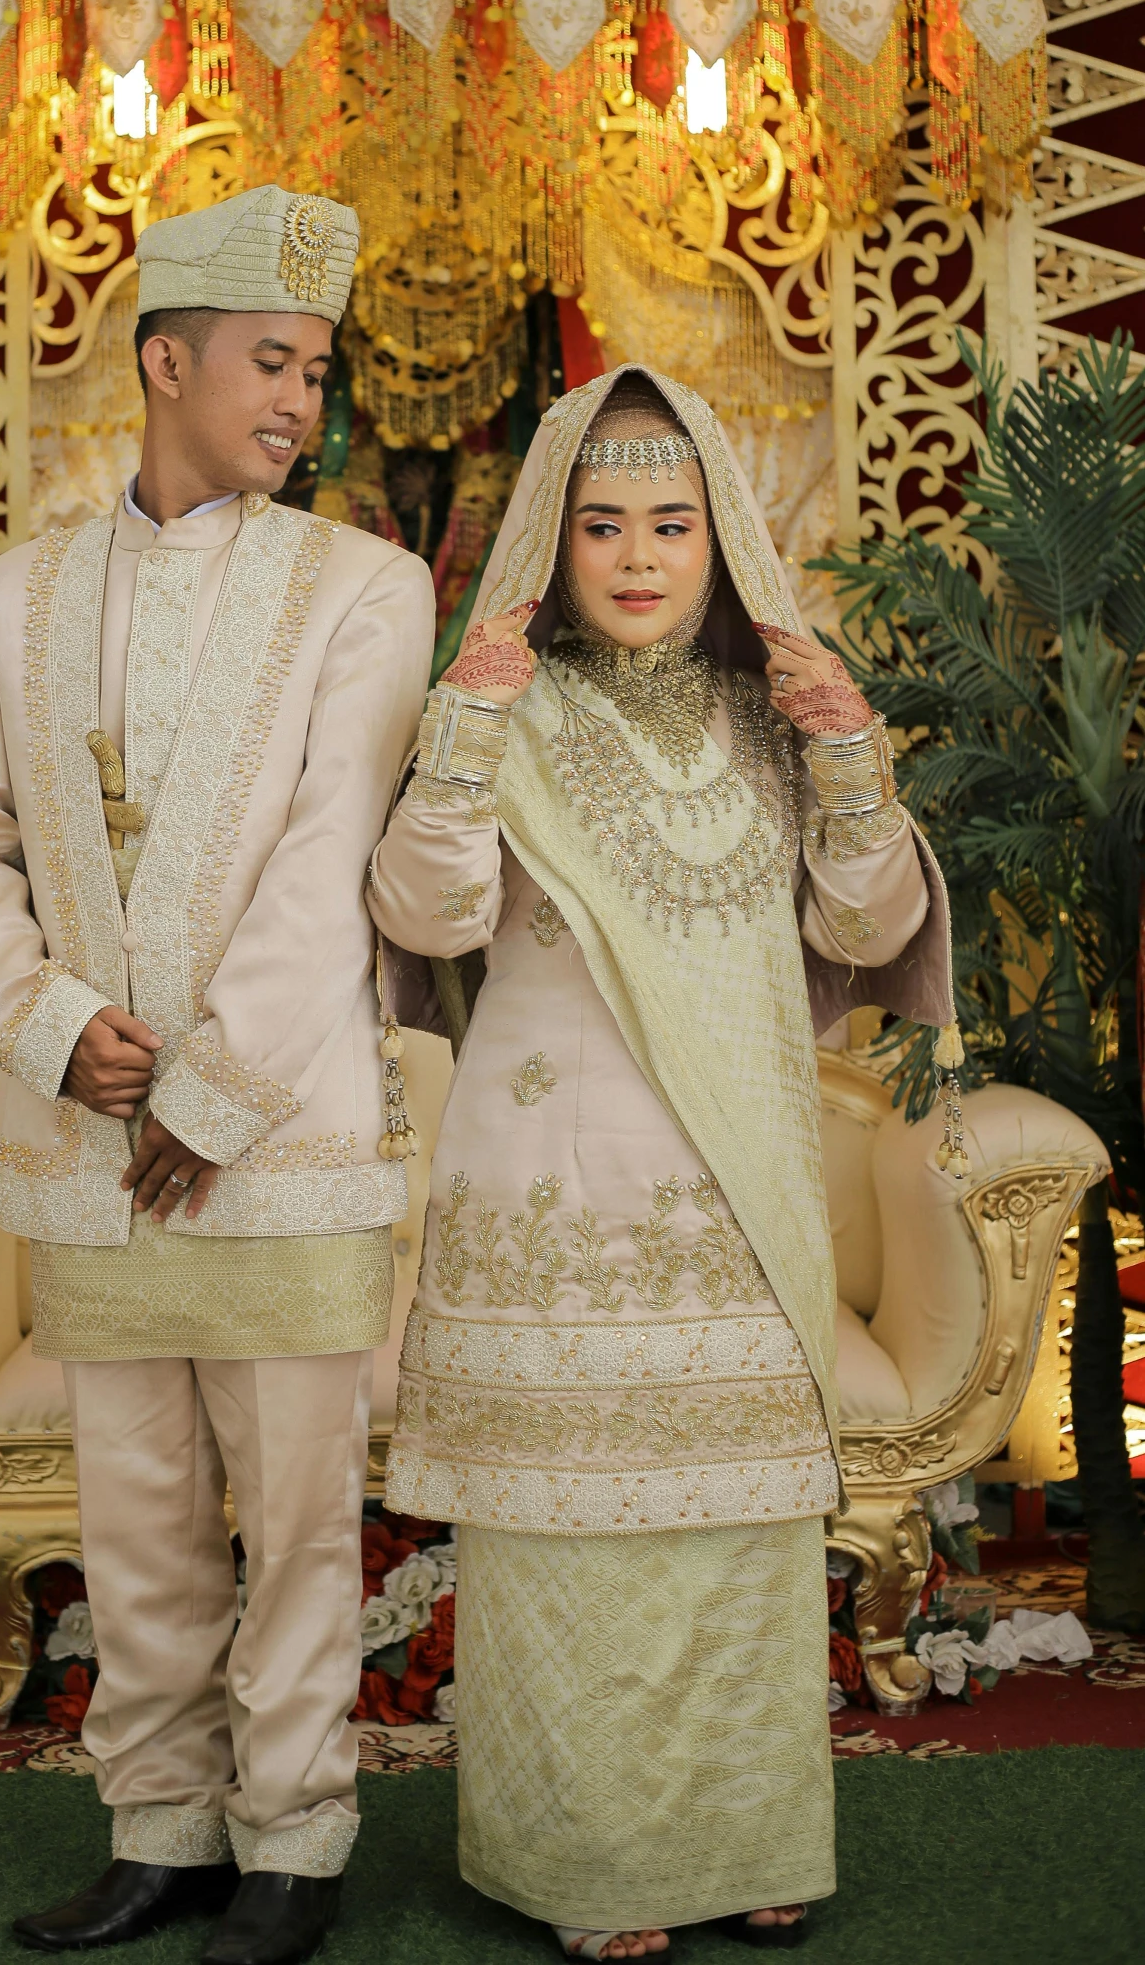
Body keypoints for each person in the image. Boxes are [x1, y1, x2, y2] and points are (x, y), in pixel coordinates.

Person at [0, 185, 436, 1965]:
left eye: (316, 370)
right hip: (79, 1124)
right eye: (269, 363)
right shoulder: (18, 595)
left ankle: (293, 1843)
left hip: (273, 1131)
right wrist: (57, 1027)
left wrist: (201, 1091)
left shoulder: (370, 587)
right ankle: (161, 1833)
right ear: (166, 360)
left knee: (295, 1513)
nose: (298, 400)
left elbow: (331, 857)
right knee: (134, 1507)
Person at [366, 366, 952, 1959]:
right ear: (550, 551)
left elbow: (867, 928)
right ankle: (594, 1863)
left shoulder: (778, 718)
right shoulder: (507, 708)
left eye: (670, 524)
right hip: (555, 1183)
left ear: (722, 543)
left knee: (738, 1531)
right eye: (601, 525)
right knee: (571, 1535)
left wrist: (848, 763)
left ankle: (746, 1837)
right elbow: (424, 919)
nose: (636, 556)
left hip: (733, 1177)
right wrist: (469, 721)